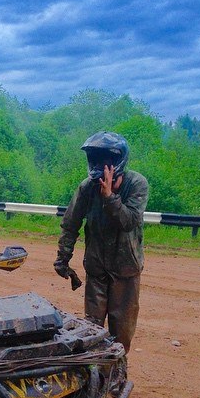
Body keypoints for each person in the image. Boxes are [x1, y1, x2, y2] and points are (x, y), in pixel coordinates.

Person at [54, 131, 149, 353]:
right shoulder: (87, 187)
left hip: (125, 271)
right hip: (97, 270)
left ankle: (116, 380)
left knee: (121, 335)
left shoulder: (136, 184)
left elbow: (129, 221)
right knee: (91, 330)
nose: (102, 165)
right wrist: (62, 258)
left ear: (118, 161)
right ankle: (91, 378)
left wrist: (109, 197)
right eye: (97, 158)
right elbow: (71, 223)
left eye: (107, 159)